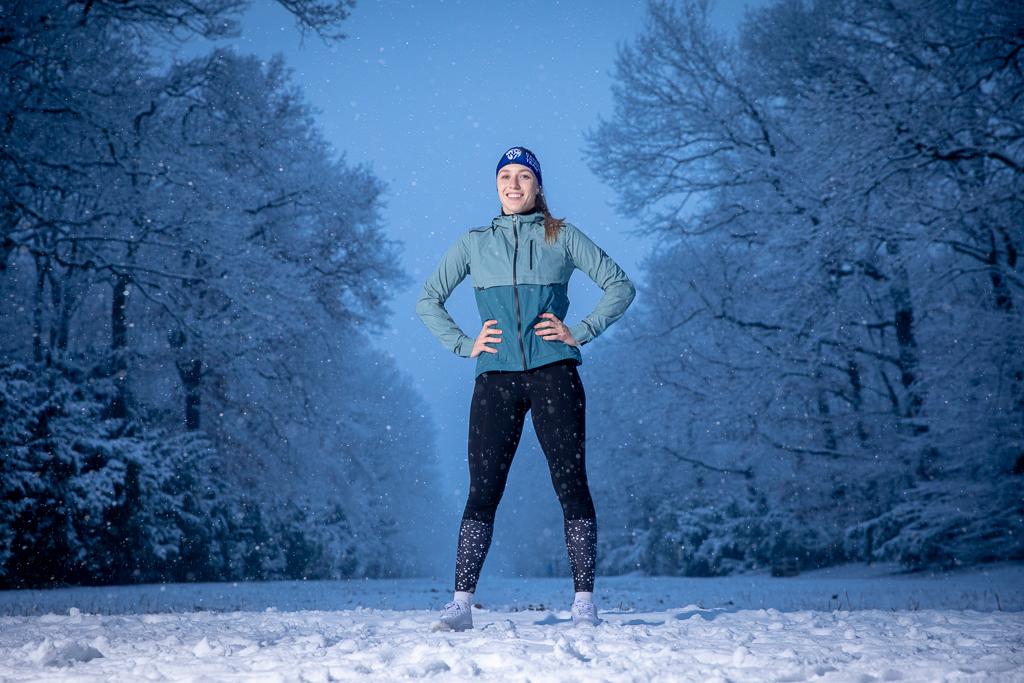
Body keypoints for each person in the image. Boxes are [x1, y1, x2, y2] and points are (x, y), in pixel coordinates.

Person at [415, 145, 636, 630]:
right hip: (494, 379)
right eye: (505, 177)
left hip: (554, 372)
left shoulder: (563, 235)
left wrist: (581, 329)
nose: (513, 185)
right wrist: (463, 343)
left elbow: (619, 285)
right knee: (483, 491)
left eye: (523, 177)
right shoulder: (474, 243)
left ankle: (583, 604)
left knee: (570, 484)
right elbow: (428, 299)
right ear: (496, 186)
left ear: (538, 186)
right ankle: (460, 605)